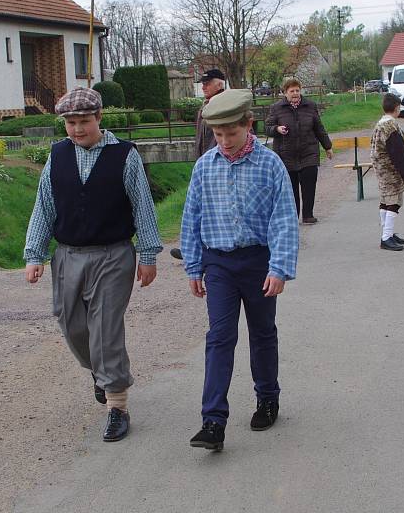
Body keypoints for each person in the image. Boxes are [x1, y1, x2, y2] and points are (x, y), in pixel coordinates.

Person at [24, 87, 162, 443]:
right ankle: (100, 372)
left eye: (83, 122)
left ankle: (116, 404)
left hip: (113, 255)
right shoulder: (57, 156)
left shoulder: (124, 155)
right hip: (68, 255)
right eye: (70, 123)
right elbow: (44, 205)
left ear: (99, 118)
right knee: (71, 324)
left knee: (105, 329)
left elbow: (142, 207)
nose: (77, 129)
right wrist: (34, 253)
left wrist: (147, 256)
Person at [181, 89, 298, 452]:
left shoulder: (269, 164)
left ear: (249, 124)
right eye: (218, 135)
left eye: (231, 133)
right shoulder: (205, 166)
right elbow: (192, 218)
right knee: (219, 336)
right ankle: (213, 421)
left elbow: (284, 220)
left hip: (258, 261)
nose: (225, 142)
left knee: (262, 332)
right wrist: (193, 265)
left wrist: (279, 267)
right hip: (219, 264)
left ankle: (267, 398)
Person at [170, 68, 226, 261]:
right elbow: (200, 138)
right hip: (205, 164)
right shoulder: (205, 105)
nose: (203, 86)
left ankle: (205, 248)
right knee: (199, 208)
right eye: (202, 83)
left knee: (212, 208)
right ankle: (193, 248)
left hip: (219, 164)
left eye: (207, 83)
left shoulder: (224, 105)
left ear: (219, 84)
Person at [265, 78, 333, 224]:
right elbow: (267, 128)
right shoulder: (276, 108)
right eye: (292, 91)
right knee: (291, 189)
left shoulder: (310, 106)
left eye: (297, 90)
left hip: (308, 151)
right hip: (286, 154)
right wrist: (277, 129)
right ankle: (293, 216)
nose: (295, 93)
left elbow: (319, 128)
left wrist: (328, 147)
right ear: (285, 93)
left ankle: (308, 215)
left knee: (309, 184)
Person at [370, 93, 404, 251]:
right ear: (397, 108)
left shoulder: (380, 123)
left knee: (384, 200)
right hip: (390, 169)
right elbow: (398, 152)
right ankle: (386, 237)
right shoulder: (391, 126)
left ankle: (386, 232)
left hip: (381, 168)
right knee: (393, 202)